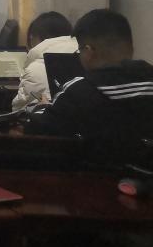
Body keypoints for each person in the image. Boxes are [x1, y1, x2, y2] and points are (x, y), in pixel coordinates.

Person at [26, 9, 153, 165]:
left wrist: (42, 107)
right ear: (132, 48)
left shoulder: (79, 92)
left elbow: (36, 131)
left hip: (96, 176)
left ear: (88, 51)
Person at [11, 11, 76, 111]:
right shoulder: (84, 58)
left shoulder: (34, 69)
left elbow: (18, 108)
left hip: (47, 119)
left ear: (34, 37)